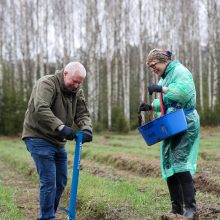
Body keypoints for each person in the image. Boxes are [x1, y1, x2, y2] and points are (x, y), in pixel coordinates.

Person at [22, 61, 93, 220]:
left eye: (79, 82)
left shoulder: (76, 91)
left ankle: (48, 215)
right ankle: (47, 217)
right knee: (49, 182)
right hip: (38, 136)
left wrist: (87, 128)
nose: (76, 85)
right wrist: (60, 127)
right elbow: (41, 107)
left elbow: (82, 114)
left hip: (57, 141)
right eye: (74, 81)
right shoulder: (47, 83)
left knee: (60, 182)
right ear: (65, 73)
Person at [139, 49, 200, 219]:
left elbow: (182, 93)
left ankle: (191, 209)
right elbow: (166, 102)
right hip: (171, 123)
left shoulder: (180, 72)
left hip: (185, 122)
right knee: (169, 165)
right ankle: (176, 210)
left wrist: (162, 88)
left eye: (154, 65)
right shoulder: (166, 76)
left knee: (180, 163)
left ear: (163, 61)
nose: (153, 69)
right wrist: (151, 107)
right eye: (150, 67)